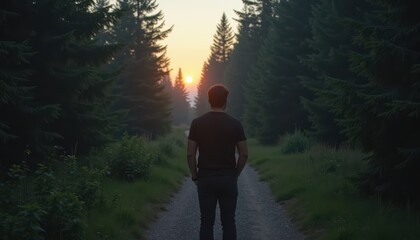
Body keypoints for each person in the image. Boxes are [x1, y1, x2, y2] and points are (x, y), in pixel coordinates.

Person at [187, 84, 248, 240]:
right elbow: (244, 154)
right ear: (225, 101)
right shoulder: (235, 124)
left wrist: (195, 176)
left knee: (206, 222)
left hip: (205, 178)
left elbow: (190, 154)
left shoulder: (197, 123)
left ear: (209, 100)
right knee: (228, 222)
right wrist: (235, 174)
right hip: (228, 178)